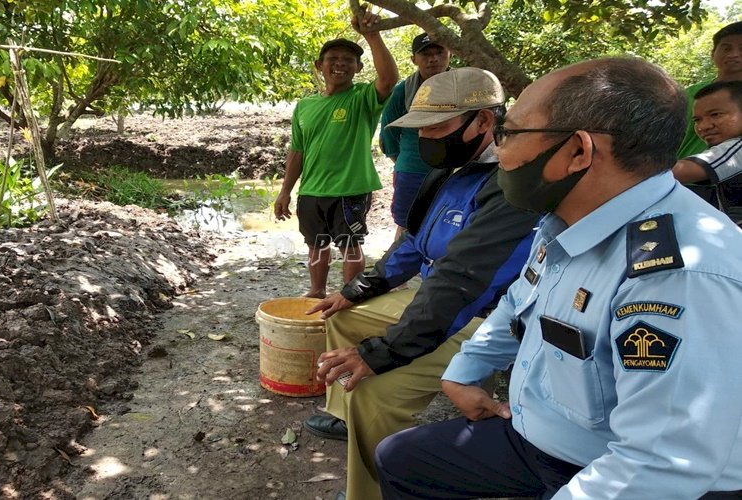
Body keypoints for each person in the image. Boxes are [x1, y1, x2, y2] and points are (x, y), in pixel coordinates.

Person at [375, 57, 742, 499]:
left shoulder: (680, 273)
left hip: (607, 467)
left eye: (509, 133)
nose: (499, 148)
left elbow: (660, 464)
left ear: (578, 151)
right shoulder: (569, 220)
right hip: (541, 436)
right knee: (401, 459)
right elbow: (518, 304)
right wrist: (465, 371)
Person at [303, 67, 540, 500]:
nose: (426, 139)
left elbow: (462, 282)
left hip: (482, 317)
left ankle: (372, 492)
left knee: (374, 388)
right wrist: (355, 289)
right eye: (421, 130)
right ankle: (344, 419)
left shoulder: (510, 187)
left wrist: (381, 354)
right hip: (439, 300)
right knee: (344, 317)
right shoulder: (451, 172)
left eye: (438, 128)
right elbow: (413, 244)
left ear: (484, 121)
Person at [273, 9, 398, 299]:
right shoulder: (305, 106)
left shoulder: (362, 98)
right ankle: (316, 291)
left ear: (358, 68)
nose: (340, 64)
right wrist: (285, 191)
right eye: (333, 59)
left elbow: (389, 79)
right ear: (320, 65)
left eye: (348, 60)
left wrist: (372, 35)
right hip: (312, 190)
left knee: (350, 245)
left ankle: (349, 297)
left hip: (349, 190)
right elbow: (297, 150)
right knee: (316, 245)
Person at [379, 33, 451, 241]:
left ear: (450, 54)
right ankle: (394, 271)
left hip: (454, 170)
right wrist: (401, 158)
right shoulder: (404, 90)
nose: (433, 59)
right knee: (406, 225)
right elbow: (389, 129)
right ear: (414, 60)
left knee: (449, 224)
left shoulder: (462, 86)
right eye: (426, 54)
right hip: (412, 170)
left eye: (439, 52)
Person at [673, 80, 742, 225]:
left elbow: (680, 172)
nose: (703, 126)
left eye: (716, 114)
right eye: (697, 120)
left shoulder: (737, 148)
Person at [676, 21, 742, 158]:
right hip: (681, 174)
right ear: (713, 54)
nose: (734, 54)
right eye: (726, 48)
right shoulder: (689, 94)